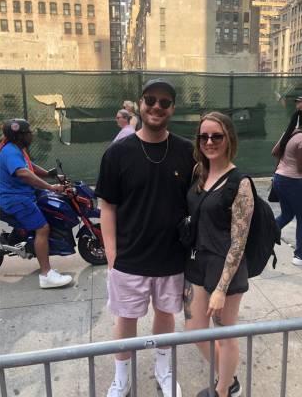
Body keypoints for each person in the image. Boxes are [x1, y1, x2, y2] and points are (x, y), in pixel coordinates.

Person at [95, 79, 194, 397]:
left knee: (166, 316)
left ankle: (163, 369)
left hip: (171, 258)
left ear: (172, 109)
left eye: (165, 102)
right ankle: (121, 376)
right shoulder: (118, 153)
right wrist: (111, 254)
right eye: (150, 99)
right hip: (129, 258)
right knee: (126, 320)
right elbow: (107, 205)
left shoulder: (186, 151)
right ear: (140, 103)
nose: (156, 106)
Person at [184, 112, 254, 397]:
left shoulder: (241, 183)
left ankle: (224, 389)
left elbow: (239, 242)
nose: (210, 141)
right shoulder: (199, 173)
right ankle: (228, 375)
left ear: (229, 139)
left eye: (217, 136)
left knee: (225, 333)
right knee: (194, 329)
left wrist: (221, 289)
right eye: (204, 136)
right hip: (199, 260)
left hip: (226, 266)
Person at [0, 119, 72, 289]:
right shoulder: (10, 151)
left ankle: (24, 236)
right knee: (42, 228)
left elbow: (28, 166)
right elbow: (23, 173)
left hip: (21, 193)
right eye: (28, 132)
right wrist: (50, 187)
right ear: (20, 136)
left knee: (46, 202)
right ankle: (46, 274)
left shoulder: (15, 148)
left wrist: (48, 174)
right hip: (15, 199)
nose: (32, 134)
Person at [272, 109, 302, 265]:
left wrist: (288, 159)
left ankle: (263, 234)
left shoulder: (290, 133)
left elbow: (275, 152)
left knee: (287, 214)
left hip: (279, 179)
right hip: (294, 182)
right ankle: (301, 256)